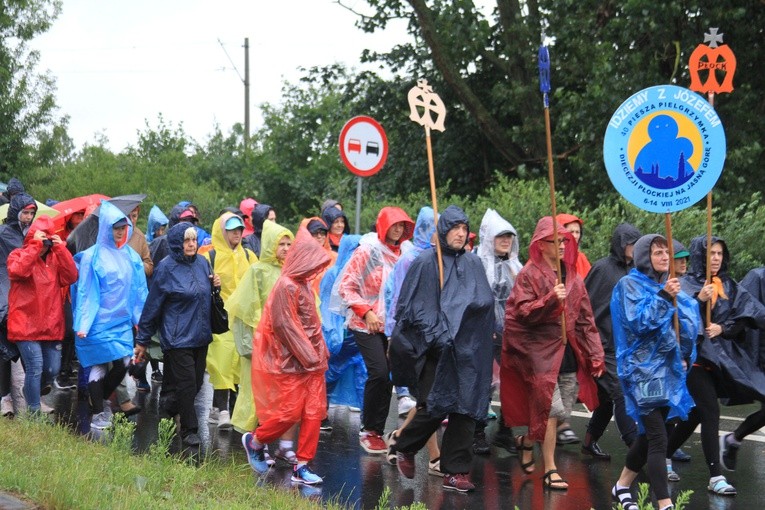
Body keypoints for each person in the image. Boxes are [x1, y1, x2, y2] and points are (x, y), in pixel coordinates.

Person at [388, 205, 494, 492]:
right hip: (438, 349)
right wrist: (438, 335)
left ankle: (456, 471)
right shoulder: (426, 262)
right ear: (443, 231)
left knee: (466, 407)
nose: (460, 234)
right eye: (454, 228)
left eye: (464, 228)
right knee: (435, 404)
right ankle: (404, 445)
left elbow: (484, 301)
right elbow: (413, 308)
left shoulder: (473, 264)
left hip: (470, 349)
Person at [501, 216, 604, 490]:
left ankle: (526, 442)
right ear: (540, 244)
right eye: (554, 241)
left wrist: (595, 354)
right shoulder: (529, 274)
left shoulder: (572, 275)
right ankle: (551, 468)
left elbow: (585, 319)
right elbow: (521, 312)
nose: (560, 245)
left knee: (560, 412)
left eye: (563, 241)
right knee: (549, 409)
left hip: (566, 352)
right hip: (538, 353)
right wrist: (549, 300)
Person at [666, 235, 765, 496]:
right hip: (694, 359)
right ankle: (715, 476)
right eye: (711, 253)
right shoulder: (685, 284)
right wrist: (698, 301)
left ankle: (664, 453)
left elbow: (751, 314)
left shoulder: (729, 285)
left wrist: (725, 327)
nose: (716, 258)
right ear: (701, 255)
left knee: (696, 413)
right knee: (710, 410)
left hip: (720, 360)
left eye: (720, 254)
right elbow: (675, 318)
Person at [609, 234, 698, 510]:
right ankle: (665, 503)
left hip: (669, 371)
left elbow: (686, 325)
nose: (664, 257)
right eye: (657, 252)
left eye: (666, 253)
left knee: (650, 436)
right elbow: (638, 322)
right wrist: (664, 297)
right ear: (644, 256)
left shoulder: (667, 285)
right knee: (659, 438)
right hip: (641, 372)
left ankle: (622, 485)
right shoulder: (629, 284)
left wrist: (685, 354)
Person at [242, 229, 332, 485]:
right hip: (294, 364)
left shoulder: (303, 284)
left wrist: (320, 352)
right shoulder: (286, 286)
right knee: (288, 414)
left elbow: (311, 325)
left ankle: (302, 465)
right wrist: (310, 357)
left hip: (313, 363)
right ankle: (256, 441)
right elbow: (285, 326)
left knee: (314, 413)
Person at [335, 206, 414, 454]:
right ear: (383, 226)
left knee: (389, 375)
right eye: (394, 225)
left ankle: (377, 431)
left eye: (402, 225)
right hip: (365, 323)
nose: (398, 230)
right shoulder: (367, 252)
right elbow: (346, 287)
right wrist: (366, 311)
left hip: (392, 326)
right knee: (378, 371)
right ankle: (368, 428)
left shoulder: (406, 255)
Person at [135, 222, 218, 445]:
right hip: (177, 336)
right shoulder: (166, 267)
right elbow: (153, 305)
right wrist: (142, 339)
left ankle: (167, 408)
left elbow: (204, 294)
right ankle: (189, 430)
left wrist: (215, 286)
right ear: (177, 243)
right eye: (186, 240)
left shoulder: (202, 262)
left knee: (196, 382)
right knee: (188, 383)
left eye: (193, 240)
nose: (191, 244)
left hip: (200, 335)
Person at [72, 201, 148, 430]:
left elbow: (138, 291)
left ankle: (101, 400)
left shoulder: (131, 257)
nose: (120, 231)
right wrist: (83, 322)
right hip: (96, 322)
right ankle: (97, 413)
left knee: (125, 362)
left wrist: (141, 320)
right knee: (98, 366)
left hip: (122, 323)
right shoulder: (91, 257)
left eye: (123, 227)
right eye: (115, 227)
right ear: (106, 227)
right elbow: (85, 291)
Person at [227, 220, 294, 456]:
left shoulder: (291, 271)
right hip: (262, 343)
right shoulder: (257, 270)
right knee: (260, 396)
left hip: (285, 345)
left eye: (289, 243)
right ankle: (259, 443)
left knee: (284, 396)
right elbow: (245, 306)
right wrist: (266, 332)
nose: (286, 248)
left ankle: (283, 446)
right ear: (269, 245)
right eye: (281, 243)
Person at [581, 223, 641, 459]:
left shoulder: (637, 270)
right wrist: (592, 344)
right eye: (629, 243)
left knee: (606, 399)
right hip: (603, 344)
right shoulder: (603, 269)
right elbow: (587, 307)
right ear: (619, 244)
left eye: (637, 243)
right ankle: (636, 449)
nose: (633, 248)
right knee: (620, 392)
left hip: (626, 346)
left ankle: (588, 442)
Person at [7, 216, 77, 413]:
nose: (45, 245)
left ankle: (30, 391)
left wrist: (60, 249)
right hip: (25, 324)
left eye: (48, 241)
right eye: (42, 240)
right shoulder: (18, 254)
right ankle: (34, 412)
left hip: (51, 325)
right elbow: (18, 271)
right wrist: (34, 247)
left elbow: (71, 276)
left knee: (52, 370)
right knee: (35, 367)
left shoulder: (55, 258)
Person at [474, 208, 523, 454]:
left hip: (510, 334)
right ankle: (477, 432)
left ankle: (505, 431)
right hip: (484, 333)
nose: (506, 240)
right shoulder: (478, 263)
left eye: (509, 236)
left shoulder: (515, 265)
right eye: (500, 236)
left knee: (512, 383)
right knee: (484, 384)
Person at [204, 212, 257, 429]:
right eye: (232, 229)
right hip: (219, 319)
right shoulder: (210, 257)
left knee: (239, 365)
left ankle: (227, 410)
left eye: (240, 229)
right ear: (221, 231)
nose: (237, 233)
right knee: (222, 362)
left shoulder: (249, 256)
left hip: (243, 320)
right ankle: (223, 409)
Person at [0, 191, 37, 416]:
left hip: (24, 294)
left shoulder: (33, 234)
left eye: (32, 213)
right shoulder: (3, 234)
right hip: (5, 291)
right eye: (26, 212)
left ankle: (33, 395)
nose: (29, 217)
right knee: (3, 350)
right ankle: (4, 397)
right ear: (16, 212)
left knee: (28, 347)